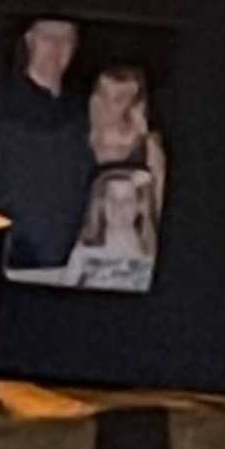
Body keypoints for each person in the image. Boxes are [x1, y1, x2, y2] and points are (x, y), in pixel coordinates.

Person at [0, 12, 93, 278]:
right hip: (15, 260)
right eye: (48, 37)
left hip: (72, 264)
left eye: (65, 39)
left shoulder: (82, 112)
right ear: (29, 41)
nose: (56, 47)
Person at [60, 60, 169, 294]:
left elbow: (158, 207)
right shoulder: (75, 135)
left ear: (134, 106)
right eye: (101, 94)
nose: (105, 105)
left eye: (118, 99)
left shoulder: (147, 147)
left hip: (123, 255)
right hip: (71, 250)